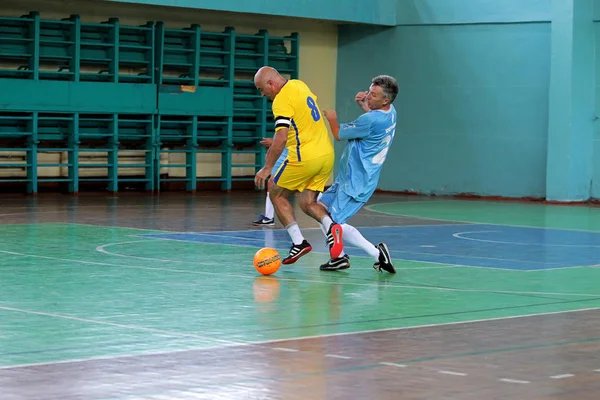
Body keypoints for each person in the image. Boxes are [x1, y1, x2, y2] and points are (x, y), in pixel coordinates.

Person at [253, 66, 344, 265]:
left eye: (261, 89)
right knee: (307, 203)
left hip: (304, 157)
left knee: (275, 192)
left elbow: (281, 136)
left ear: (271, 83)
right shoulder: (299, 84)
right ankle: (332, 229)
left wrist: (267, 167)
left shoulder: (280, 100)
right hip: (326, 155)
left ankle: (298, 242)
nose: (262, 94)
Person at [317, 74, 399, 273]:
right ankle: (348, 256)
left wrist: (332, 119)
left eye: (374, 95)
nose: (368, 96)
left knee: (335, 224)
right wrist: (366, 105)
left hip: (357, 182)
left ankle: (364, 256)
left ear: (385, 100)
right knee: (320, 209)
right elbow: (370, 125)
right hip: (346, 177)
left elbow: (338, 134)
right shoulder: (390, 112)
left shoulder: (370, 119)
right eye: (369, 91)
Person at [252, 138, 287, 227]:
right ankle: (268, 217)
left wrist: (275, 142)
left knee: (305, 187)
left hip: (291, 154)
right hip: (284, 154)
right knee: (271, 183)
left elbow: (285, 137)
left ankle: (323, 206)